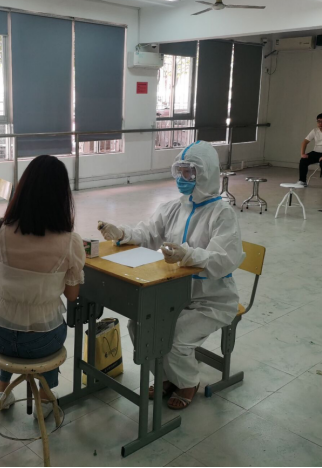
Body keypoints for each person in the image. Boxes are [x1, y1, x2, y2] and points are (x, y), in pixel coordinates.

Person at [98, 141, 245, 410]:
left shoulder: (222, 214)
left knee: (175, 338)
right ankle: (165, 377)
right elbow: (148, 232)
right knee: (139, 325)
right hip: (174, 295)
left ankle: (187, 382)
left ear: (206, 174)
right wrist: (123, 233)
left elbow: (224, 260)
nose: (182, 178)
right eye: (180, 171)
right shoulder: (174, 208)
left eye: (189, 172)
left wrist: (188, 255)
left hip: (212, 300)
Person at [0, 155, 85, 420]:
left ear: (23, 189)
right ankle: (45, 399)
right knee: (48, 329)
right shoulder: (70, 242)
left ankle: (2, 392)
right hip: (44, 340)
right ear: (63, 197)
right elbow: (72, 295)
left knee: (13, 327)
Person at [298, 113, 322, 191]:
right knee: (303, 160)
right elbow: (305, 142)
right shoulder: (314, 130)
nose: (320, 123)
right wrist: (302, 154)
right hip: (315, 152)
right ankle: (302, 181)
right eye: (318, 121)